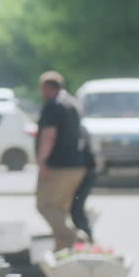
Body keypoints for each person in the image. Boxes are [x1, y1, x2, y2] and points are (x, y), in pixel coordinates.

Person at [34, 71, 87, 251]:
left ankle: (75, 235)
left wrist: (42, 162)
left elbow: (49, 136)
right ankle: (62, 251)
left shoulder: (53, 105)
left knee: (44, 206)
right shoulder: (73, 103)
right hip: (77, 166)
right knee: (60, 210)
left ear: (47, 88)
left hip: (57, 167)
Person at [70, 123, 97, 243]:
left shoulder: (77, 129)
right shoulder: (80, 128)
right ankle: (84, 236)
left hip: (86, 172)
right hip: (87, 171)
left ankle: (87, 237)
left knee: (76, 208)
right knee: (76, 207)